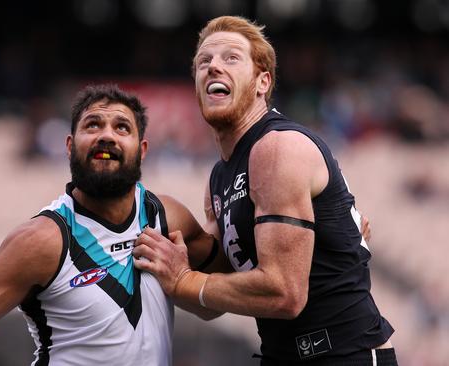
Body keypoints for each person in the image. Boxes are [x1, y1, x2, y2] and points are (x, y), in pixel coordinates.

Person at [0, 84, 221, 366]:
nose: (106, 135)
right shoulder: (41, 240)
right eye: (92, 125)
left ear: (142, 149)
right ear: (68, 146)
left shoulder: (166, 216)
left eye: (121, 127)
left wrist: (184, 281)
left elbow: (214, 304)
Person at [133, 16, 398, 365]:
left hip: (343, 355)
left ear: (262, 82)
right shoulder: (219, 176)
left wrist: (182, 280)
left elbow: (284, 293)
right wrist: (168, 268)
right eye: (203, 61)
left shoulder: (275, 148)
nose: (213, 67)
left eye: (231, 58)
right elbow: (212, 298)